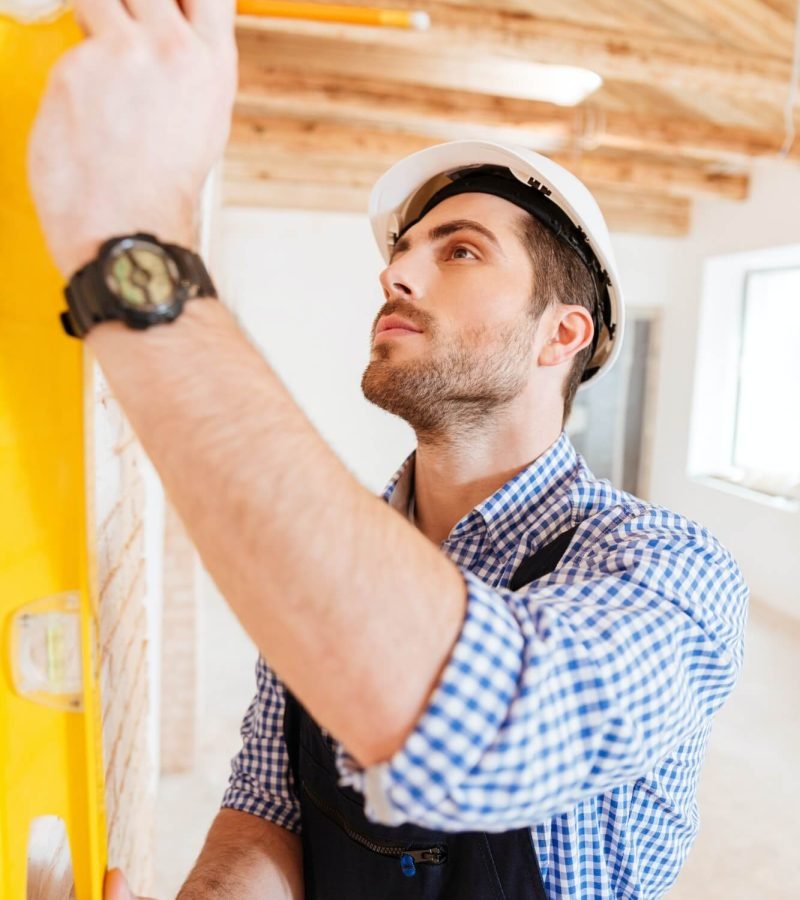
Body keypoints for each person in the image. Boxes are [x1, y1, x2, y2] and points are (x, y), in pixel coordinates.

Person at [28, 2, 748, 898]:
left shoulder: (669, 568)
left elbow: (487, 726)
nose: (395, 273)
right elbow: (269, 806)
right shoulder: (340, 552)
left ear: (560, 335)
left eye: (460, 251)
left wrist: (138, 255)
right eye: (404, 250)